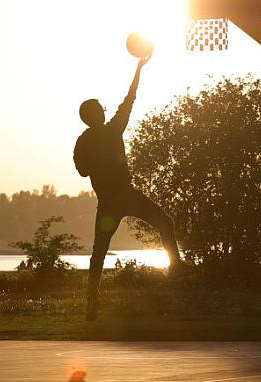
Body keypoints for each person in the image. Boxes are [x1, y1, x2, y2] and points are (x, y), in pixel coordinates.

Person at [73, 54, 189, 321]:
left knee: (99, 251)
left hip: (107, 203)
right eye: (101, 107)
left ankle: (92, 302)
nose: (105, 109)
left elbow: (81, 171)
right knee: (165, 222)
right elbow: (130, 98)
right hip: (126, 195)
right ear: (96, 114)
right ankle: (175, 266)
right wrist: (138, 68)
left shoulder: (82, 141)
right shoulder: (113, 129)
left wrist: (95, 163)